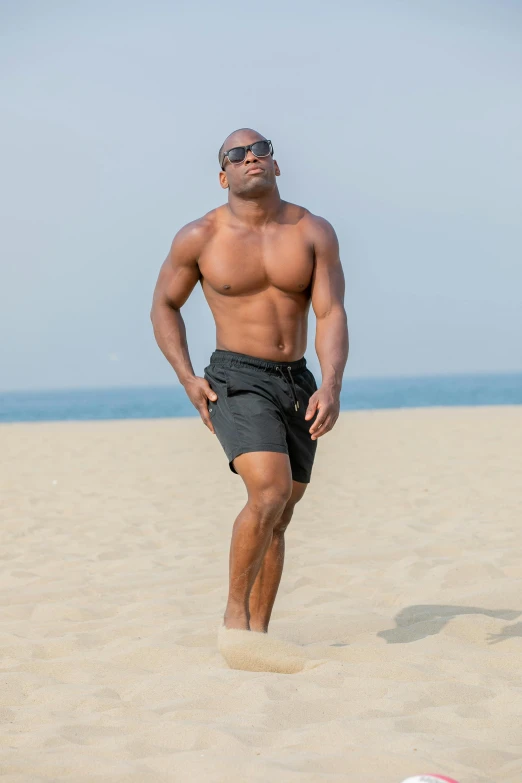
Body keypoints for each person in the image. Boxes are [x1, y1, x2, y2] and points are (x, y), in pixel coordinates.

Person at [151, 128, 349, 633]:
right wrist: (187, 377)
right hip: (236, 375)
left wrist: (331, 384)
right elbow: (164, 305)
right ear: (223, 176)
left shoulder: (313, 231)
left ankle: (257, 634)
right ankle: (233, 620)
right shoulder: (200, 236)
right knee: (268, 492)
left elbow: (330, 312)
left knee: (280, 513)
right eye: (235, 155)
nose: (250, 158)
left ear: (276, 165)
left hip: (298, 380)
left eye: (260, 149)